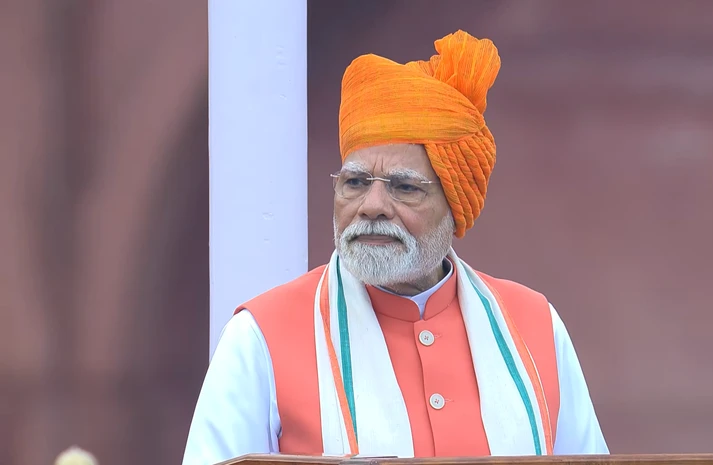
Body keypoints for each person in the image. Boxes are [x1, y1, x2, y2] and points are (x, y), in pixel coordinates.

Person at [183, 29, 608, 464]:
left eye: (405, 187)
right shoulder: (260, 336)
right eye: (355, 183)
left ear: (455, 205)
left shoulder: (534, 325)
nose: (372, 207)